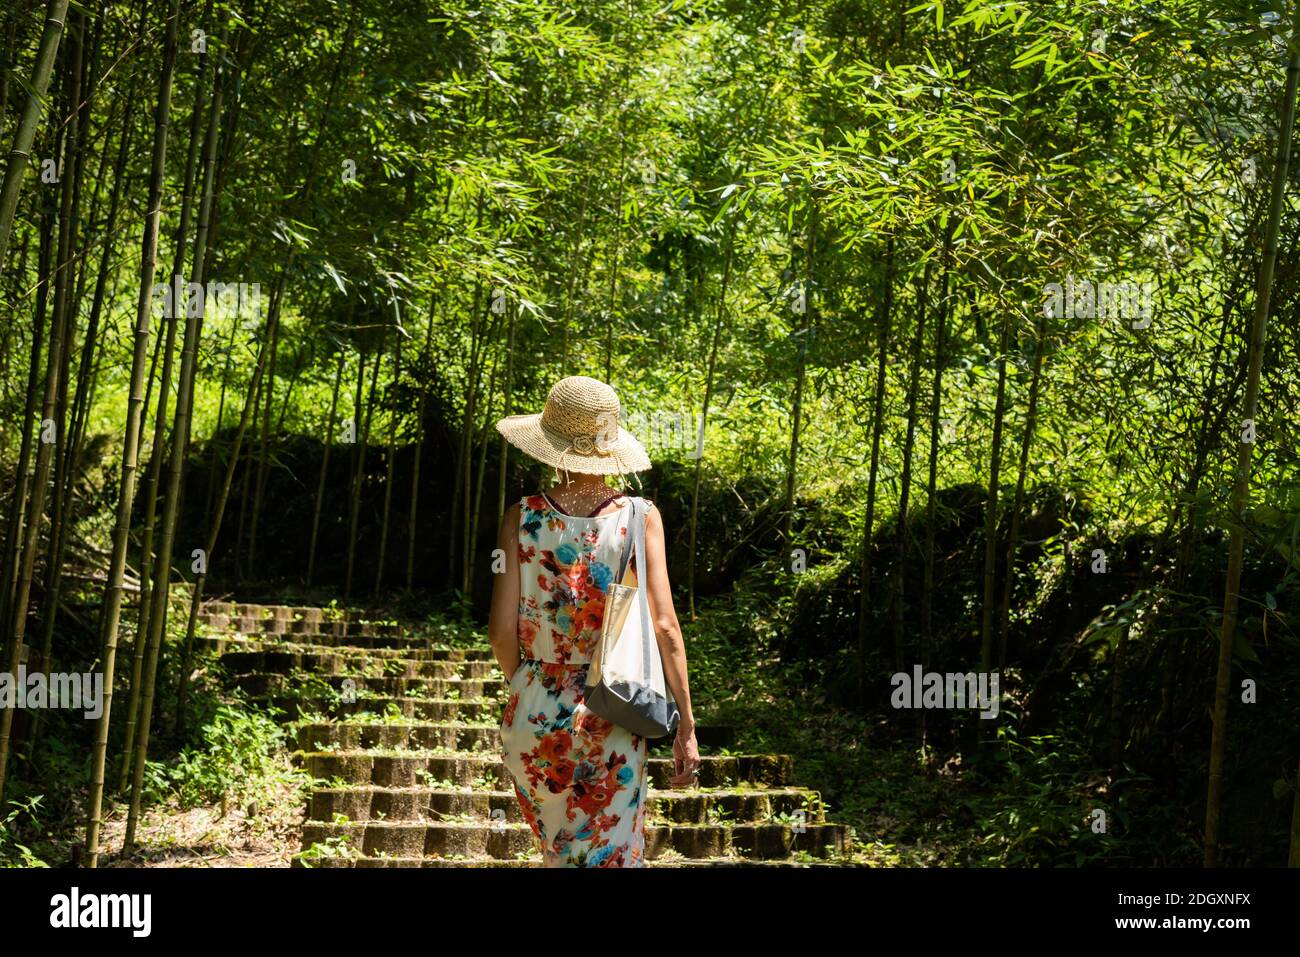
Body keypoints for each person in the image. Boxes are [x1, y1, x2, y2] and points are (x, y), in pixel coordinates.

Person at [487, 375, 700, 867]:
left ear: (551, 442)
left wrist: (531, 685)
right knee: (610, 855)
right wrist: (686, 722)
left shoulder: (520, 517)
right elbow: (665, 626)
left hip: (533, 711)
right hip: (614, 708)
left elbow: (500, 631)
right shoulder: (640, 516)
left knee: (559, 855)